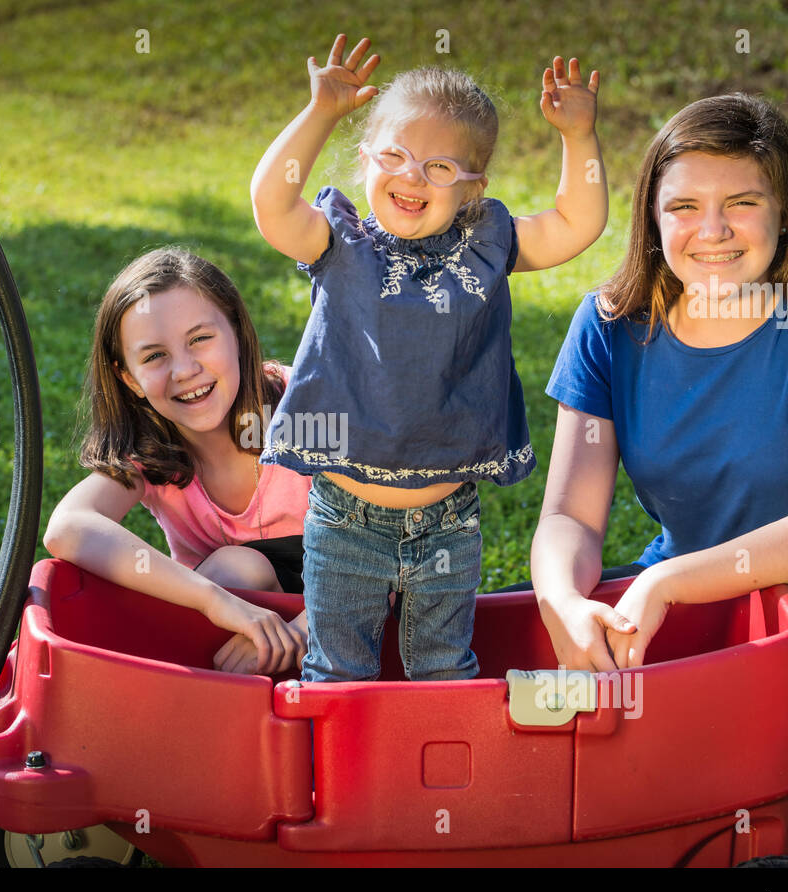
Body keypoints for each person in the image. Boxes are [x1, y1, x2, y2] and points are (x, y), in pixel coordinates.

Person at [531, 93, 788, 867]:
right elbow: (571, 511)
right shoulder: (610, 326)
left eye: (741, 202)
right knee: (576, 797)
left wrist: (670, 579)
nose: (711, 231)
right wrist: (564, 600)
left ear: (785, 212)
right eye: (685, 206)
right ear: (652, 217)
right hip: (677, 617)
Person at [250, 35, 607, 682]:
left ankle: (440, 782)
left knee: (445, 668)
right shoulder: (339, 241)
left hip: (448, 519)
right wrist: (320, 112)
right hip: (344, 517)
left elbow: (575, 223)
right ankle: (347, 783)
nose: (413, 176)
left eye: (441, 168)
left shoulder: (487, 241)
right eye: (396, 156)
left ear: (474, 188)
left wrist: (578, 137)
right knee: (337, 672)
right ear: (366, 160)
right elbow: (271, 203)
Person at [44, 247, 312, 676]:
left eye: (200, 339)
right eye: (154, 356)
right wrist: (215, 600)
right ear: (129, 378)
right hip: (239, 635)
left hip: (362, 606)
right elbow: (68, 527)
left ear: (238, 334)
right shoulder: (150, 450)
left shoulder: (308, 406)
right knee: (236, 568)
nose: (184, 369)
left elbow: (395, 538)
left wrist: (307, 630)